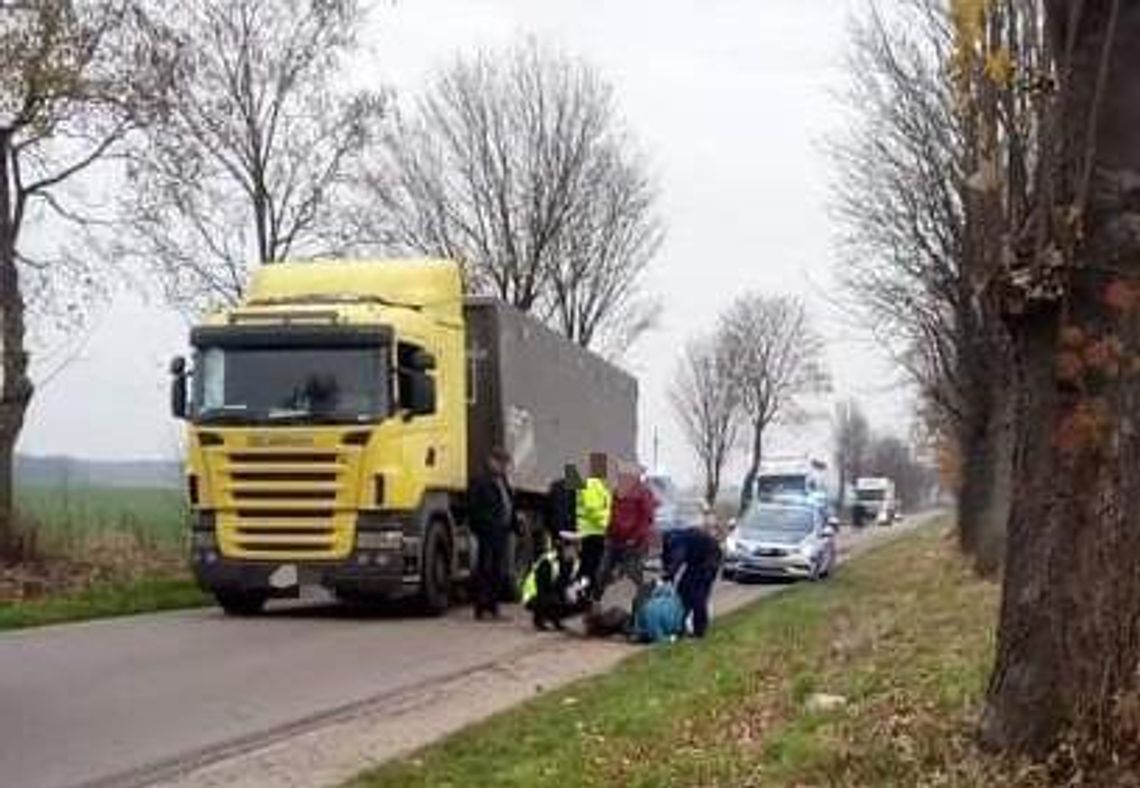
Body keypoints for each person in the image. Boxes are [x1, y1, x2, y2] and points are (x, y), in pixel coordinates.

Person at [595, 463, 657, 599]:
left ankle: (642, 601)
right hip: (615, 540)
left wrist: (635, 538)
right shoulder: (617, 491)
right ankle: (596, 601)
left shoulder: (644, 492)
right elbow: (612, 514)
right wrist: (608, 533)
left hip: (634, 543)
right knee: (603, 571)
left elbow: (646, 518)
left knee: (633, 573)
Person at [468, 447, 517, 620]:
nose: (504, 466)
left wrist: (512, 525)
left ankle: (493, 607)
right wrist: (484, 526)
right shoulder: (481, 481)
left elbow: (507, 502)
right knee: (486, 569)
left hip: (502, 532)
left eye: (506, 463)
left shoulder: (502, 480)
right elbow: (475, 507)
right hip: (488, 532)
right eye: (501, 462)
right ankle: (482, 607)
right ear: (492, 461)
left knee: (498, 570)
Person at [662, 511, 723, 638]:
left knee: (697, 597)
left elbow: (678, 558)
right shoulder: (675, 538)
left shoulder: (678, 541)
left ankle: (699, 631)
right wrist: (669, 573)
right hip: (698, 561)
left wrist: (669, 574)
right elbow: (669, 558)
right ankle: (679, 626)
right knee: (683, 592)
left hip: (709, 562)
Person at [520, 532, 581, 631]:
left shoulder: (573, 562)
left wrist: (574, 592)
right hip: (533, 596)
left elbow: (569, 584)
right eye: (575, 546)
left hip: (553, 593)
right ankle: (539, 620)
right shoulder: (548, 561)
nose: (578, 549)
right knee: (554, 599)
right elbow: (541, 588)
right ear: (565, 547)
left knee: (579, 600)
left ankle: (557, 620)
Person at [575, 452, 612, 597]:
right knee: (589, 566)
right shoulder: (593, 485)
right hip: (593, 531)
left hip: (594, 531)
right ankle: (581, 592)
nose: (604, 470)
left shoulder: (598, 485)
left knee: (589, 566)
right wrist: (607, 522)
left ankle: (583, 592)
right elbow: (593, 509)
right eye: (601, 467)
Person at [545, 464, 581, 542]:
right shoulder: (576, 491)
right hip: (566, 528)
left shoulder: (555, 487)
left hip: (561, 528)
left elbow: (548, 510)